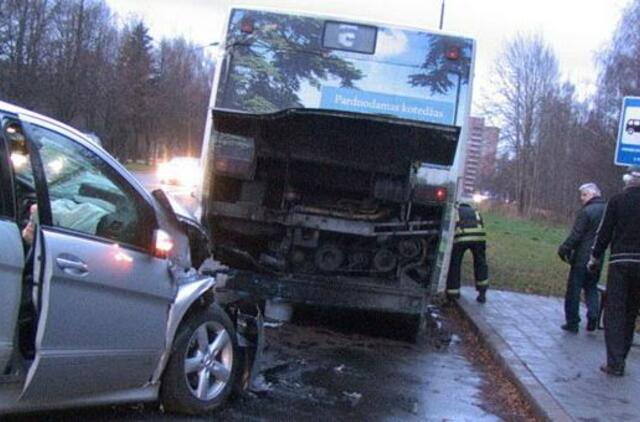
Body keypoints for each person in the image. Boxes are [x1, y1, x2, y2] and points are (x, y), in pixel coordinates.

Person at [588, 167, 640, 376]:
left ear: (629, 181)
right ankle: (622, 355)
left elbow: (605, 231)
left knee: (615, 311)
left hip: (620, 261)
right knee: (631, 311)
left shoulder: (617, 200)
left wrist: (594, 257)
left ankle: (614, 361)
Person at [557, 183, 606, 333]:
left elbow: (576, 234)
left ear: (593, 194)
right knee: (591, 287)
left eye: (584, 195)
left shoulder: (586, 212)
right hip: (598, 256)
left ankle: (572, 322)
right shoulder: (607, 210)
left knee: (574, 289)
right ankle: (593, 315)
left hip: (581, 257)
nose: (582, 198)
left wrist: (564, 249)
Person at [446, 202, 489, 303]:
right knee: (480, 263)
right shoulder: (476, 212)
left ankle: (453, 294)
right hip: (479, 238)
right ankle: (482, 293)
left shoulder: (456, 212)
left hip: (461, 238)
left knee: (455, 265)